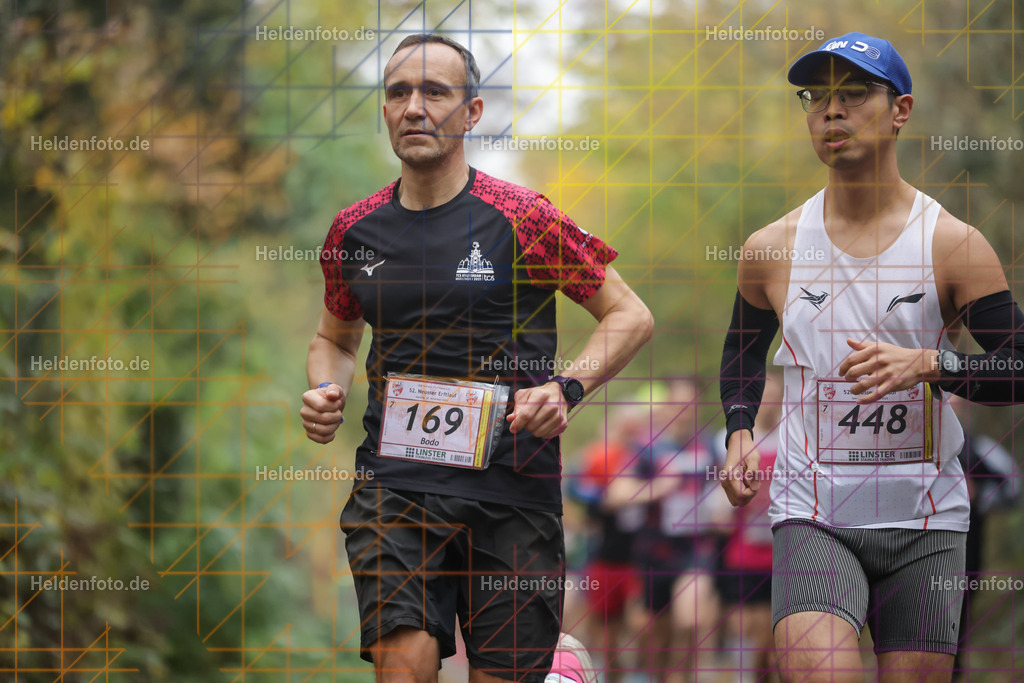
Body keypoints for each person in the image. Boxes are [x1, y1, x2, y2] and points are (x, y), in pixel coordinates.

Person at [300, 33, 653, 683]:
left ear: (472, 112)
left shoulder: (524, 217)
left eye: (435, 92)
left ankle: (560, 665)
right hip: (395, 486)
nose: (414, 107)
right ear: (385, 110)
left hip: (512, 487)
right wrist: (327, 388)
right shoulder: (355, 230)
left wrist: (566, 388)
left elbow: (629, 314)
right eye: (398, 93)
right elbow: (336, 339)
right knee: (403, 666)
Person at [718, 32, 1024, 683]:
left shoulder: (952, 244)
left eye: (854, 93)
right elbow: (742, 350)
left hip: (927, 522)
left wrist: (934, 366)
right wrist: (739, 429)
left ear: (900, 110)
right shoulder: (771, 247)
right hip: (814, 514)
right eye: (816, 96)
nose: (832, 109)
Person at [605, 379, 722, 683]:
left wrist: (723, 510)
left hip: (694, 549)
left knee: (690, 619)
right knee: (654, 639)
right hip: (653, 551)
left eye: (690, 404)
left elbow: (725, 490)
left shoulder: (710, 446)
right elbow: (615, 494)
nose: (684, 411)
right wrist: (657, 489)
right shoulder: (647, 447)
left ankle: (681, 677)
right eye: (677, 404)